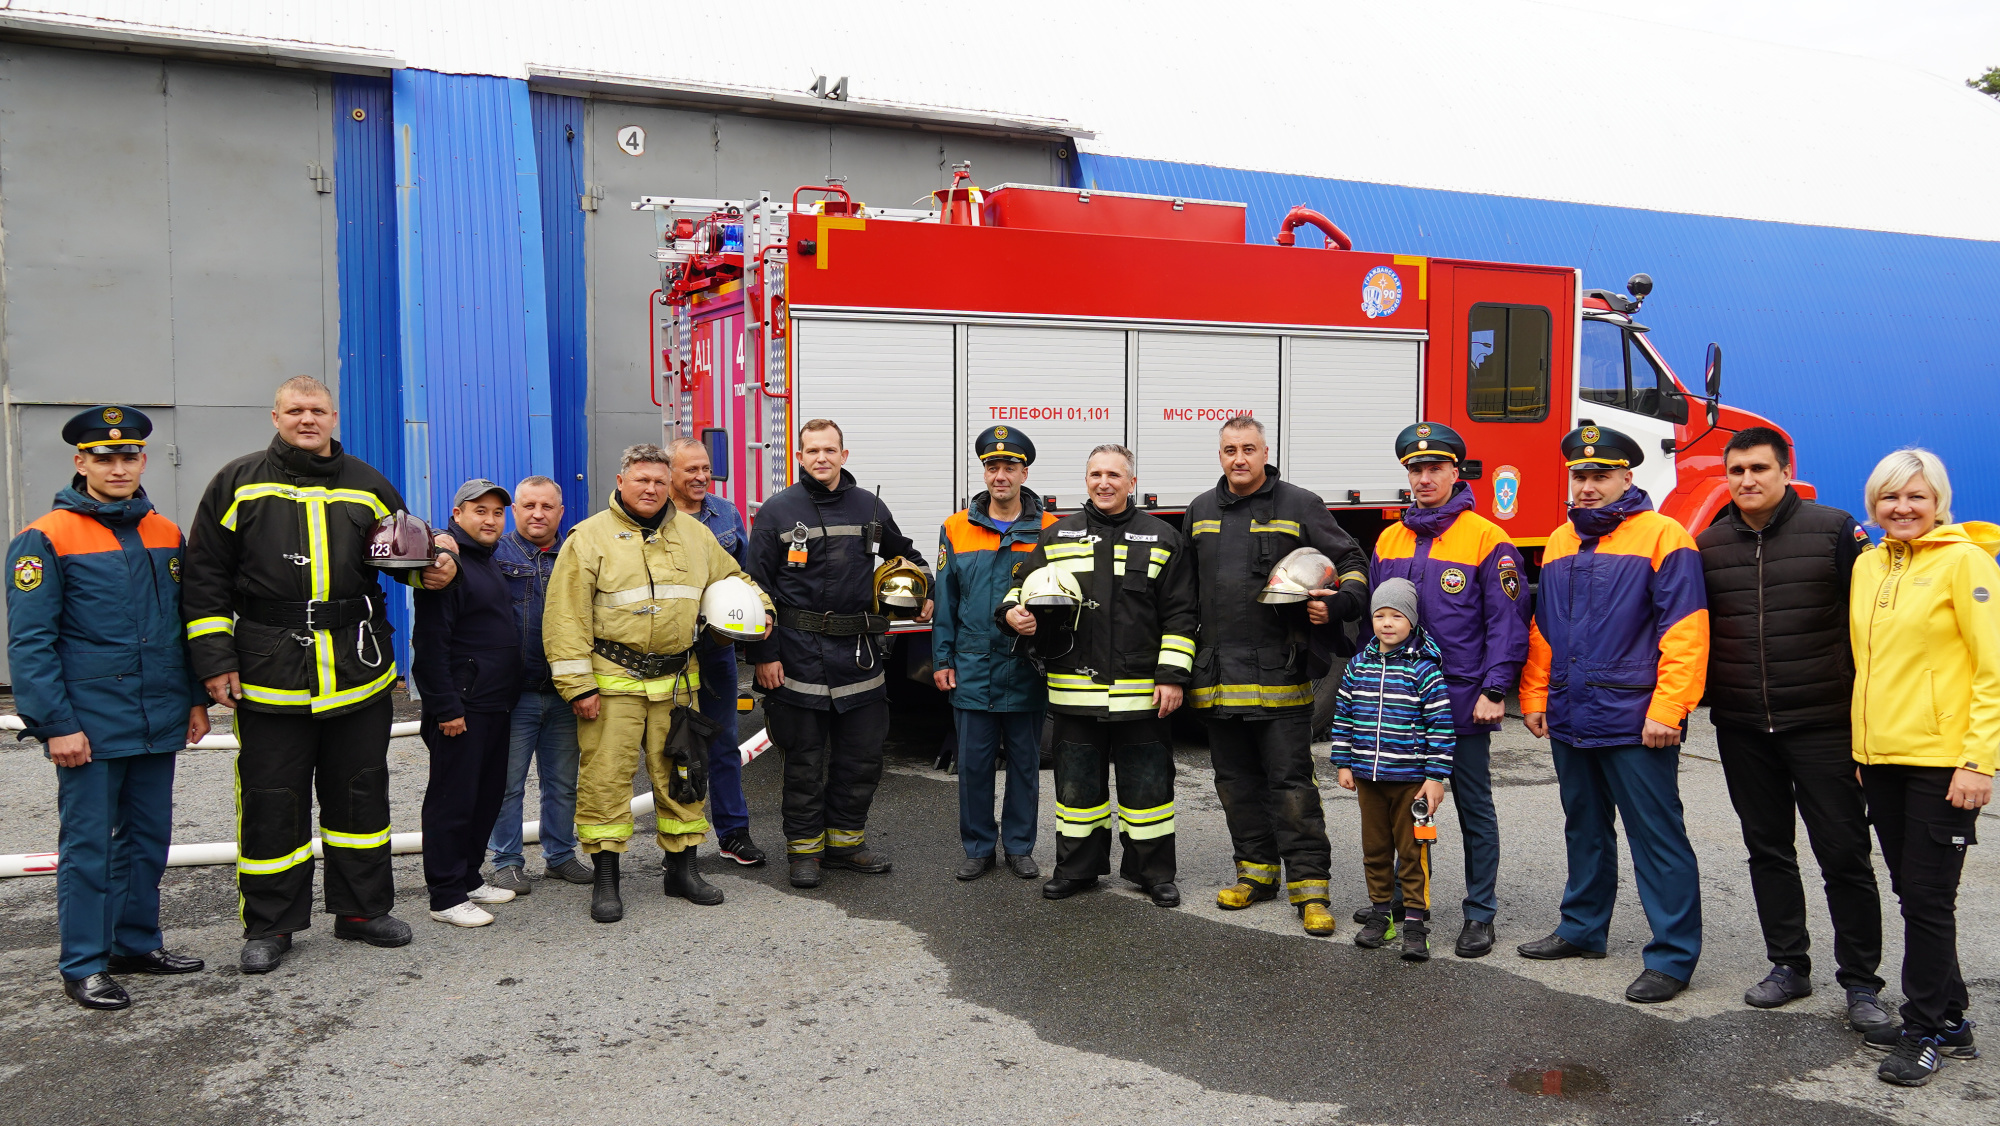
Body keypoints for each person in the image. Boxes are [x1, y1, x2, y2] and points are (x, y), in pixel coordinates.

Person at [182, 376, 457, 974]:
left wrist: (436, 569)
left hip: (356, 669)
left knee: (361, 795)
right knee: (271, 800)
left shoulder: (368, 483)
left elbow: (400, 554)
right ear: (275, 415)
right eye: (296, 411)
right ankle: (271, 926)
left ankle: (362, 911)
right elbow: (203, 576)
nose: (308, 420)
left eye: (318, 411)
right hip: (267, 671)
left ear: (334, 416)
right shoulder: (236, 482)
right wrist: (214, 660)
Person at [7, 407, 209, 1010]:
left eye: (128, 456)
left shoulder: (167, 532)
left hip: (157, 716)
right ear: (80, 463)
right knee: (90, 846)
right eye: (103, 457)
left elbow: (184, 626)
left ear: (143, 461)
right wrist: (55, 725)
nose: (117, 467)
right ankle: (84, 964)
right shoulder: (45, 537)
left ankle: (135, 943)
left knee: (148, 838)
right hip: (89, 726)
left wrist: (196, 701)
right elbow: (31, 642)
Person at [1695, 427, 1888, 1030]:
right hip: (1744, 726)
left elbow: (1872, 628)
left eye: (1759, 468)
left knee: (1844, 852)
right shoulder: (1707, 543)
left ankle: (1861, 984)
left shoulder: (1834, 532)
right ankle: (1789, 965)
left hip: (1823, 723)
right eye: (1736, 471)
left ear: (1784, 471)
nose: (1747, 480)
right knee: (1768, 849)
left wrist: (1867, 723)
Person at [1517, 423, 1708, 1004]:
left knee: (1657, 837)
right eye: (1580, 476)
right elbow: (1543, 629)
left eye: (1601, 475)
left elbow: (1685, 630)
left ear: (1628, 477)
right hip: (1572, 711)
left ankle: (1673, 957)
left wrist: (1669, 709)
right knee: (1585, 827)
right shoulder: (1557, 541)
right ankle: (1582, 929)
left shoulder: (1664, 536)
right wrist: (1534, 695)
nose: (1589, 486)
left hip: (1635, 718)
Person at [543, 444, 772, 923]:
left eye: (658, 481)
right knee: (606, 782)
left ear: (668, 484)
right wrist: (578, 687)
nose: (650, 489)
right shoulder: (587, 539)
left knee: (683, 778)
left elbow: (737, 579)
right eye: (641, 479)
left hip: (676, 686)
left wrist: (762, 610)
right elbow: (565, 618)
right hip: (613, 685)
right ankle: (607, 880)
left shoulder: (695, 535)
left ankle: (681, 871)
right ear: (621, 481)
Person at [1183, 415, 1365, 936]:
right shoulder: (1199, 511)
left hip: (1281, 673)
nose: (1238, 459)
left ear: (1266, 452)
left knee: (1291, 785)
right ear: (1219, 456)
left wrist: (1339, 605)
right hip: (1217, 676)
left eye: (1247, 449)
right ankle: (1255, 876)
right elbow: (1184, 592)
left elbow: (1350, 557)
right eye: (1228, 450)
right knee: (1236, 784)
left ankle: (1310, 890)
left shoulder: (1299, 504)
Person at [1847, 448, 1994, 1087]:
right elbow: (1868, 665)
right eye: (1889, 497)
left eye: (1916, 497)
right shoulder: (1866, 565)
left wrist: (1978, 761)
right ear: (1874, 504)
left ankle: (1923, 1029)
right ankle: (1953, 1018)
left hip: (1943, 763)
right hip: (1881, 759)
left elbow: (1993, 669)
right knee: (1915, 893)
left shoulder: (1967, 564)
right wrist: (1864, 749)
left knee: (1929, 899)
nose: (1902, 508)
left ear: (1939, 502)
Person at [999, 444, 1198, 908]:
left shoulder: (1163, 537)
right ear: (1085, 480)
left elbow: (1182, 614)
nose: (1103, 483)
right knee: (1075, 789)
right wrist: (1012, 613)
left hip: (1142, 692)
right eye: (1095, 474)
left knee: (1149, 789)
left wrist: (1172, 676)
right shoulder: (1058, 535)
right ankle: (1077, 869)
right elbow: (1019, 589)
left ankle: (1152, 873)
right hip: (1074, 689)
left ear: (1132, 482)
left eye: (1113, 474)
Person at [745, 419, 932, 889]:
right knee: (804, 761)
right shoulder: (777, 511)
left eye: (830, 450)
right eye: (812, 451)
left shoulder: (869, 505)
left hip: (859, 656)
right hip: (797, 654)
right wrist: (765, 656)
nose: (821, 458)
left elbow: (906, 555)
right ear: (800, 457)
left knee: (861, 758)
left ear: (844, 455)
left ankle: (846, 845)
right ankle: (804, 853)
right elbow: (756, 590)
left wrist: (923, 588)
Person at [1370, 421, 1530, 957]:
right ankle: (1408, 901)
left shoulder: (1488, 539)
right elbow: (1379, 620)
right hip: (1402, 706)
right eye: (1415, 469)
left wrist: (1495, 689)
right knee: (1409, 810)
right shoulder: (1390, 538)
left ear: (1455, 471)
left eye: (1434, 467)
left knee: (1474, 809)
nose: (1423, 477)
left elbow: (1506, 623)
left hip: (1462, 702)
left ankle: (1479, 913)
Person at [933, 425, 1057, 881]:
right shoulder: (956, 527)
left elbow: (1061, 597)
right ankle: (979, 847)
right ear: (984, 472)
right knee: (974, 764)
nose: (1000, 475)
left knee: (1025, 763)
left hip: (1026, 666)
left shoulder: (1050, 530)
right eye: (992, 466)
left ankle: (1020, 847)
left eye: (1010, 466)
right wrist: (942, 659)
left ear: (1025, 472)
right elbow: (945, 601)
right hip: (972, 664)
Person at [414, 480, 524, 927]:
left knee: (485, 796)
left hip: (494, 704)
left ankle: (468, 877)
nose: (490, 520)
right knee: (452, 801)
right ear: (457, 515)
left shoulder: (485, 560)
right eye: (480, 511)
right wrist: (447, 708)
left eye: (498, 513)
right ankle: (444, 894)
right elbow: (431, 643)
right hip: (462, 708)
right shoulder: (448, 564)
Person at [1328, 578, 1454, 961]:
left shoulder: (1425, 671)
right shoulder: (1358, 666)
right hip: (1368, 777)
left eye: (1396, 616)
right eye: (1380, 615)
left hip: (1411, 782)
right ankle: (1381, 914)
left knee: (1413, 852)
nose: (1386, 623)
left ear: (1411, 622)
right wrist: (1344, 762)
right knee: (1375, 850)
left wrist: (1435, 776)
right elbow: (1344, 716)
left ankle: (1415, 923)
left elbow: (1441, 725)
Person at [486, 476, 593, 894]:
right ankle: (507, 861)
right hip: (516, 695)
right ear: (516, 511)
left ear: (561, 512)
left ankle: (561, 856)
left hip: (566, 692)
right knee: (508, 784)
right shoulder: (496, 553)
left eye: (547, 507)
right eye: (529, 506)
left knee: (563, 782)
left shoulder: (577, 551)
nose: (538, 514)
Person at [665, 437, 765, 866]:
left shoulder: (725, 514)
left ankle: (733, 833)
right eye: (691, 470)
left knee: (723, 742)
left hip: (716, 650)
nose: (702, 477)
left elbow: (744, 575)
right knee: (671, 747)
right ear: (669, 473)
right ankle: (679, 845)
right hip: (667, 652)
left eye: (705, 468)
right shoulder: (654, 514)